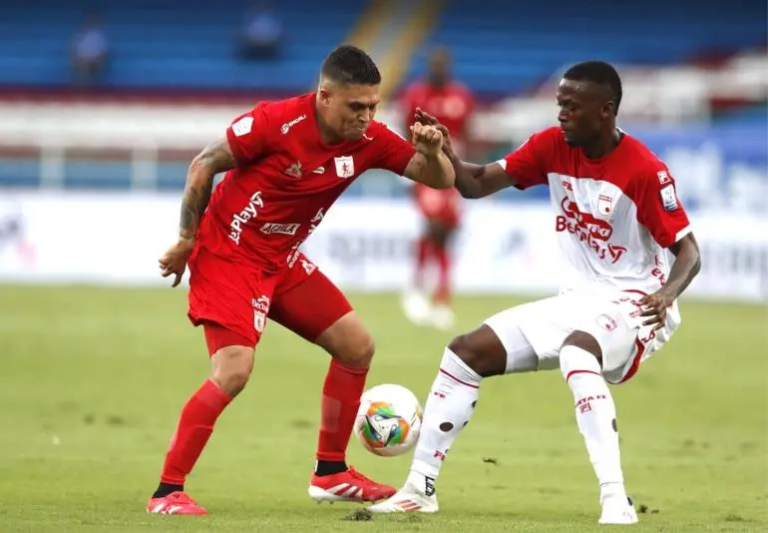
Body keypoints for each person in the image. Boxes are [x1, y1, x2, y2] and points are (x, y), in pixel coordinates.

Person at [369, 61, 701, 525]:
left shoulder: (644, 169)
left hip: (636, 303)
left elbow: (689, 251)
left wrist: (666, 294)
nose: (561, 113)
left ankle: (616, 499)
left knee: (577, 352)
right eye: (559, 103)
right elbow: (475, 183)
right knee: (464, 353)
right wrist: (446, 152)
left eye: (571, 106)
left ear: (605, 111)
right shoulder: (551, 146)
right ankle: (419, 488)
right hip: (578, 300)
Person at [148, 45, 455, 516]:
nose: (366, 117)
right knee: (234, 371)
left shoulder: (368, 139)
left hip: (281, 260)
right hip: (228, 254)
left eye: (373, 106)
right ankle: (168, 492)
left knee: (357, 346)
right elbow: (203, 163)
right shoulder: (276, 123)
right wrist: (187, 238)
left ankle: (330, 473)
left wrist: (432, 154)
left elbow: (438, 179)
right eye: (357, 107)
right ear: (324, 97)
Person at [398, 47, 475, 329]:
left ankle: (441, 297)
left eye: (444, 64)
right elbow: (404, 130)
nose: (439, 68)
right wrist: (408, 173)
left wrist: (467, 173)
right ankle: (417, 289)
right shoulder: (416, 95)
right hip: (426, 170)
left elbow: (468, 134)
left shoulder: (462, 97)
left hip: (453, 172)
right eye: (435, 63)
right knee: (431, 228)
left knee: (446, 233)